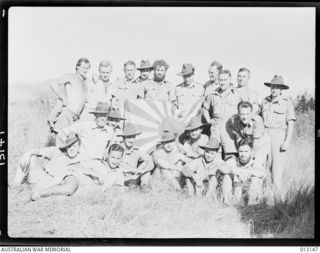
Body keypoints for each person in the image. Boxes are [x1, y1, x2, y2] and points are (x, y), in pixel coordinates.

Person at [13, 132, 87, 200]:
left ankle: (36, 193)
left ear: (79, 147)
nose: (71, 149)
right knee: (30, 155)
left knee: (59, 182)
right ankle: (16, 184)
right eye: (69, 146)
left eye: (74, 146)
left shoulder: (80, 161)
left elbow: (72, 183)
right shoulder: (58, 152)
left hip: (52, 183)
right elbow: (35, 151)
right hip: (39, 176)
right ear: (66, 147)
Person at [261, 75, 296, 197]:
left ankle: (277, 199)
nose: (274, 89)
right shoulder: (265, 101)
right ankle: (262, 196)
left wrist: (287, 141)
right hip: (264, 135)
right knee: (263, 166)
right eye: (272, 87)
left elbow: (290, 123)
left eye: (277, 87)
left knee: (276, 169)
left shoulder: (286, 103)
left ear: (281, 89)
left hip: (278, 136)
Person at [202, 69, 242, 160]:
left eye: (225, 80)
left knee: (230, 155)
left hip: (230, 128)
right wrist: (209, 120)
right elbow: (205, 109)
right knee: (214, 154)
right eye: (221, 80)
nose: (222, 82)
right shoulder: (212, 95)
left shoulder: (237, 95)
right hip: (216, 127)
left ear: (230, 80)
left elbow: (244, 109)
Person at [48, 58, 91, 134]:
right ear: (77, 67)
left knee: (71, 143)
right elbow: (53, 83)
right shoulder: (71, 77)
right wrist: (63, 97)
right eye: (83, 67)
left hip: (76, 118)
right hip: (67, 114)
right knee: (61, 140)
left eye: (87, 68)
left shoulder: (85, 81)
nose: (85, 70)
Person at [221, 138, 267, 206]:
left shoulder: (255, 162)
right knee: (227, 176)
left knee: (256, 177)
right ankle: (226, 203)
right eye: (241, 151)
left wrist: (246, 171)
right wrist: (233, 171)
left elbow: (263, 173)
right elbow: (222, 168)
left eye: (246, 151)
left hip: (250, 193)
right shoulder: (233, 161)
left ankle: (252, 205)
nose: (243, 154)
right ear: (237, 151)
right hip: (236, 193)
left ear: (251, 152)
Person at [226, 101, 271, 169]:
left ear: (251, 113)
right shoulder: (234, 120)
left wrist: (251, 157)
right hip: (249, 141)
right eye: (242, 114)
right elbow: (238, 138)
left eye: (247, 114)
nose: (245, 117)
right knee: (242, 161)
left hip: (261, 143)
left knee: (256, 163)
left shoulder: (257, 120)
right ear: (238, 114)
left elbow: (256, 143)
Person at [116, 123, 154, 189]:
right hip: (120, 176)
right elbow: (110, 165)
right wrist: (127, 170)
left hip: (134, 177)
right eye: (128, 137)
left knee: (147, 172)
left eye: (133, 137)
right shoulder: (117, 148)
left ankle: (144, 187)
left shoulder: (136, 150)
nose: (131, 140)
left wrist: (141, 170)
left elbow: (150, 161)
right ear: (123, 137)